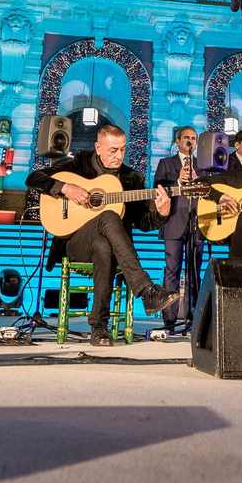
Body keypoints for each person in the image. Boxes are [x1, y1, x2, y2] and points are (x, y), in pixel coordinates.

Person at [25, 124, 180, 346]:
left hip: (110, 248)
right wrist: (65, 187)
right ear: (98, 147)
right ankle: (146, 290)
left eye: (123, 150)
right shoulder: (79, 163)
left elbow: (143, 222)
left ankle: (99, 327)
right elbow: (33, 178)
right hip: (75, 241)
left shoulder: (131, 178)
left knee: (103, 246)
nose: (119, 156)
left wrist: (162, 214)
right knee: (108, 215)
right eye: (112, 150)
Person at [152, 125, 204, 333]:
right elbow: (158, 187)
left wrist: (197, 180)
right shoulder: (166, 163)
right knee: (172, 270)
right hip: (173, 221)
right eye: (186, 138)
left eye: (194, 138)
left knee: (194, 270)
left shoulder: (203, 165)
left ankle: (193, 316)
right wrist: (177, 182)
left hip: (197, 222)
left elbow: (210, 189)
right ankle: (169, 318)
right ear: (178, 141)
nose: (190, 141)